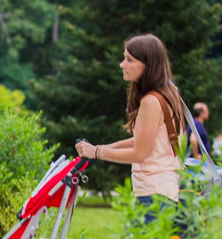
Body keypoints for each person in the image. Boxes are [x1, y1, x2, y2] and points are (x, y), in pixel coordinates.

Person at [73, 33, 192, 226]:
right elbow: (145, 140)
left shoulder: (151, 102)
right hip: (165, 190)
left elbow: (140, 152)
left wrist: (97, 152)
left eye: (129, 60)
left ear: (148, 65)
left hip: (153, 195)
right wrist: (100, 148)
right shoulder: (169, 93)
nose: (122, 64)